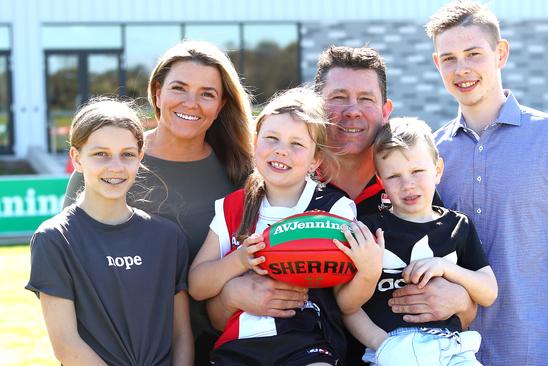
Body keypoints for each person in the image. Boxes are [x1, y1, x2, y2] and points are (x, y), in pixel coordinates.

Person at [426, 2, 548, 365]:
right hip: (456, 354)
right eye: (448, 58)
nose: (461, 69)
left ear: (501, 53)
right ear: (437, 65)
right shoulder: (432, 156)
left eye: (473, 54)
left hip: (543, 351)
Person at [63, 40, 254, 365]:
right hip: (117, 354)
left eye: (207, 93)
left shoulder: (241, 175)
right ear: (156, 93)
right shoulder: (111, 167)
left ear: (221, 105)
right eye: (179, 88)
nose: (191, 103)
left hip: (220, 351)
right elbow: (68, 276)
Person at [188, 87, 383, 365]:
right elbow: (197, 286)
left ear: (315, 159)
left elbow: (345, 301)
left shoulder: (333, 209)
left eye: (297, 144)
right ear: (255, 143)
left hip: (306, 342)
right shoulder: (233, 207)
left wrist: (368, 271)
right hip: (239, 343)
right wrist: (240, 260)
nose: (281, 150)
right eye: (272, 138)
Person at [26, 98, 193, 365]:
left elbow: (182, 335)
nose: (115, 166)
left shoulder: (168, 238)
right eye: (101, 154)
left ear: (140, 157)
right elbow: (66, 345)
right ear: (76, 158)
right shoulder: (55, 239)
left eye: (126, 154)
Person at [343, 117, 497, 366]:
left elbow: (488, 292)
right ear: (381, 182)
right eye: (394, 176)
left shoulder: (457, 226)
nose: (408, 184)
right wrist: (382, 344)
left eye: (417, 171)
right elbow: (347, 306)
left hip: (451, 348)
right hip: (391, 346)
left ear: (437, 171)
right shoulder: (370, 229)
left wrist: (446, 268)